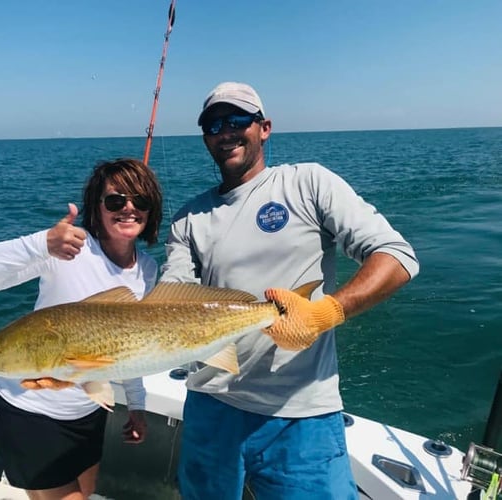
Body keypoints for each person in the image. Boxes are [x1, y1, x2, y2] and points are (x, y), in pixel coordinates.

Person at [160, 82, 419, 499]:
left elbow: (396, 256)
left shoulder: (308, 183)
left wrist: (326, 313)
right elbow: (172, 295)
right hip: (211, 407)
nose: (225, 131)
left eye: (237, 120)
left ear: (264, 128)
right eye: (213, 124)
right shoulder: (187, 219)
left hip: (301, 414)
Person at [0, 158, 163, 500]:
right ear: (96, 208)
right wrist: (41, 244)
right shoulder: (68, 249)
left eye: (140, 201)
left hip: (88, 411)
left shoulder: (147, 269)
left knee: (88, 489)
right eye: (115, 201)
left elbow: (130, 346)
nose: (128, 209)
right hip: (31, 411)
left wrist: (137, 406)